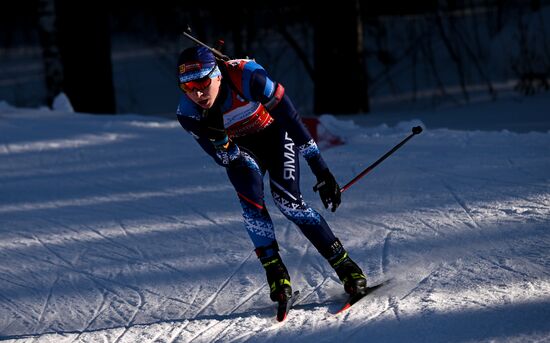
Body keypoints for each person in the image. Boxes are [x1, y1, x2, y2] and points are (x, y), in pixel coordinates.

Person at [175, 45, 367, 303]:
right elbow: (225, 160)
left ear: (217, 73)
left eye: (201, 81)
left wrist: (321, 169)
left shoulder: (247, 77)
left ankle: (345, 266)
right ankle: (276, 273)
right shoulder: (188, 113)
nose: (196, 92)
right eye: (187, 86)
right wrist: (222, 143)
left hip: (276, 134)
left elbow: (291, 119)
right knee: (250, 199)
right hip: (241, 149)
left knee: (289, 203)